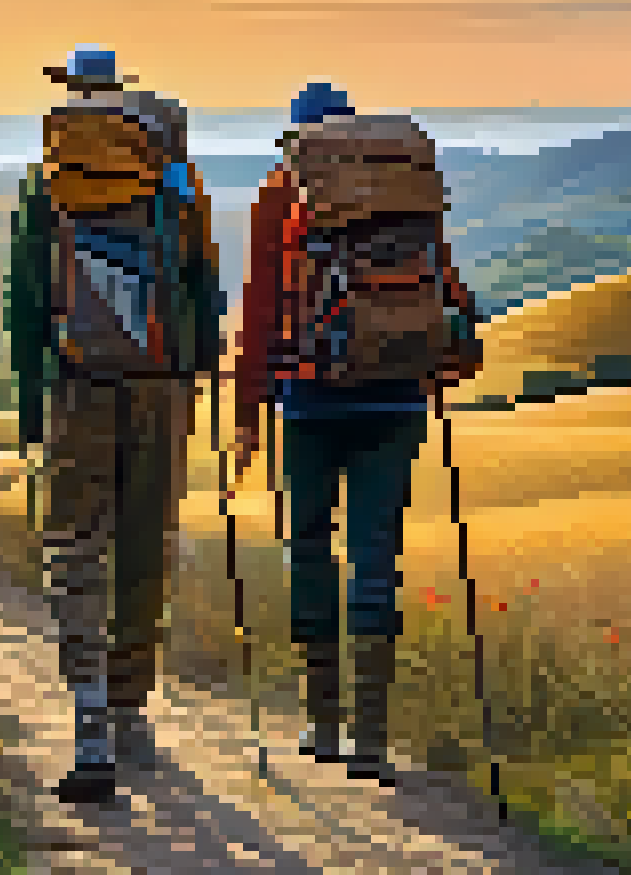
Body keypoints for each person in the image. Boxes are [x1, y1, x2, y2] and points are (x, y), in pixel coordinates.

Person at [232, 82, 483, 786]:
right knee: (377, 553)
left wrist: (247, 418)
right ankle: (371, 738)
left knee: (309, 545)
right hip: (397, 401)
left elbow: (259, 310)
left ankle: (323, 721)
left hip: (310, 400)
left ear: (297, 137)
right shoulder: (403, 193)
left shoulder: (281, 193)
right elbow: (447, 292)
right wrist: (440, 365)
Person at [8, 45, 224, 805]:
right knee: (144, 546)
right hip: (159, 388)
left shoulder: (48, 179)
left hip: (78, 383)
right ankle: (133, 709)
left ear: (70, 95)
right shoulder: (174, 174)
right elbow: (203, 281)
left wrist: (35, 405)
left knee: (74, 545)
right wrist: (196, 374)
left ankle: (88, 711)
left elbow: (26, 298)